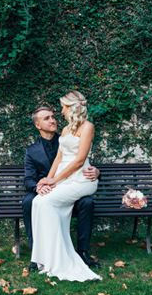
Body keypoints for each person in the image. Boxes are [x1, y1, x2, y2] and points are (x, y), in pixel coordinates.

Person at [29, 90, 102, 282]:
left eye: (62, 107)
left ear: (71, 107)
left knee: (46, 203)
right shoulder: (66, 130)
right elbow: (59, 158)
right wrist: (48, 180)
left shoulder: (87, 127)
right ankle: (43, 257)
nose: (60, 111)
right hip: (64, 178)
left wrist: (55, 181)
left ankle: (62, 258)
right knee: (37, 202)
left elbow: (79, 161)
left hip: (82, 179)